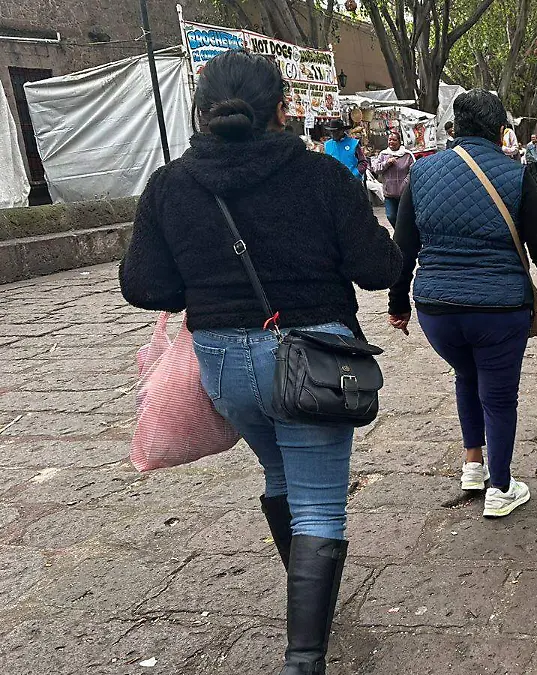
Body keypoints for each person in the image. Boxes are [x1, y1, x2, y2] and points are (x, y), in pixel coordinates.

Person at [118, 50, 403, 674]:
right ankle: (304, 661)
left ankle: (313, 603)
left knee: (282, 477)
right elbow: (377, 270)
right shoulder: (322, 176)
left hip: (224, 368)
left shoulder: (171, 184)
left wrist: (205, 292)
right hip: (312, 362)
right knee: (321, 504)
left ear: (201, 111)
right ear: (283, 108)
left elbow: (141, 284)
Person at [386, 89, 537, 518]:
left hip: (436, 308)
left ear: (455, 128)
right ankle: (501, 488)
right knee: (499, 397)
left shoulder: (422, 174)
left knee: (466, 374)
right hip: (498, 309)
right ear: (501, 131)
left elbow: (403, 246)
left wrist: (398, 304)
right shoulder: (515, 175)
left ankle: (473, 464)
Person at [371, 131, 416, 226]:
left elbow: (413, 171)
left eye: (394, 140)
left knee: (404, 217)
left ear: (400, 141)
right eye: (389, 140)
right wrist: (387, 163)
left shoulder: (407, 155)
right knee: (391, 216)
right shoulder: (384, 154)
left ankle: (403, 236)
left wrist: (405, 183)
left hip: (404, 193)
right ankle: (398, 234)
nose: (391, 142)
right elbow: (376, 169)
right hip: (389, 193)